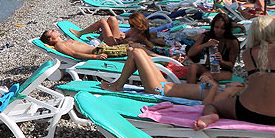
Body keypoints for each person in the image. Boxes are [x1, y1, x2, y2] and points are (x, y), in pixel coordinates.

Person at [194, 16, 275, 130]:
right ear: (274, 31)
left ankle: (211, 116)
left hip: (245, 110)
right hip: (274, 117)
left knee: (211, 106)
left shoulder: (248, 54)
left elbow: (257, 84)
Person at [101, 46, 241, 102]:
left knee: (136, 52)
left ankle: (117, 85)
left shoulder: (222, 93)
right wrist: (208, 78)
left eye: (238, 84)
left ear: (238, 88)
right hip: (166, 84)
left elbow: (206, 105)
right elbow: (225, 75)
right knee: (136, 50)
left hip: (159, 90)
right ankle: (118, 84)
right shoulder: (222, 89)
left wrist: (214, 85)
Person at [186, 13, 240, 83]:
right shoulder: (207, 36)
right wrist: (206, 44)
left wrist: (221, 61)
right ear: (213, 27)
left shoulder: (232, 42)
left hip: (224, 71)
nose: (219, 30)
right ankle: (191, 91)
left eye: (222, 28)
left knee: (206, 75)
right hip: (209, 67)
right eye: (216, 27)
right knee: (192, 67)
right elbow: (190, 53)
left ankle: (199, 92)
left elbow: (231, 65)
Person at [40, 29, 124, 60]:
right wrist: (95, 57)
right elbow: (74, 54)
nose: (54, 30)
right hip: (97, 51)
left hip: (100, 47)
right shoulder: (59, 45)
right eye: (52, 32)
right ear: (50, 39)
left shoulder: (65, 41)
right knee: (129, 49)